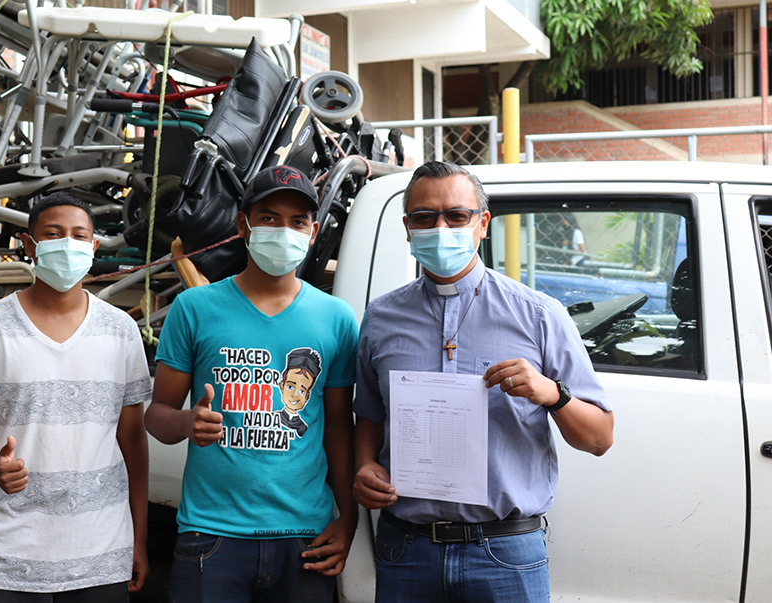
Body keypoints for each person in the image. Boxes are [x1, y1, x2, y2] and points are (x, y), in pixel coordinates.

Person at [352, 161, 614, 603]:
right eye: (424, 217)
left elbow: (600, 438)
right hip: (407, 547)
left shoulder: (538, 314)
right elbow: (369, 416)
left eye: (456, 215)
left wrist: (552, 393)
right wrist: (364, 466)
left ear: (482, 224)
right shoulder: (381, 318)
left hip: (505, 550)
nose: (440, 227)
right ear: (407, 227)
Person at [145, 165, 359, 603]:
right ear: (243, 225)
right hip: (212, 536)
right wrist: (187, 423)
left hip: (305, 539)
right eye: (269, 218)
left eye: (297, 221)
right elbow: (156, 416)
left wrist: (348, 517)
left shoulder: (336, 318)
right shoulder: (194, 308)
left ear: (313, 231)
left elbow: (338, 427)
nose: (284, 231)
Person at [0, 192, 152, 602]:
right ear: (28, 244)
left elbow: (133, 442)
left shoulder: (121, 330)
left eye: (79, 235)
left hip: (101, 554)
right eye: (53, 234)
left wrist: (139, 539)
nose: (67, 244)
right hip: (8, 558)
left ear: (93, 246)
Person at [277, 347, 322, 437]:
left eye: (302, 391)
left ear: (307, 397)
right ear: (282, 386)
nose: (295, 395)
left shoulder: (303, 428)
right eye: (290, 387)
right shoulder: (271, 418)